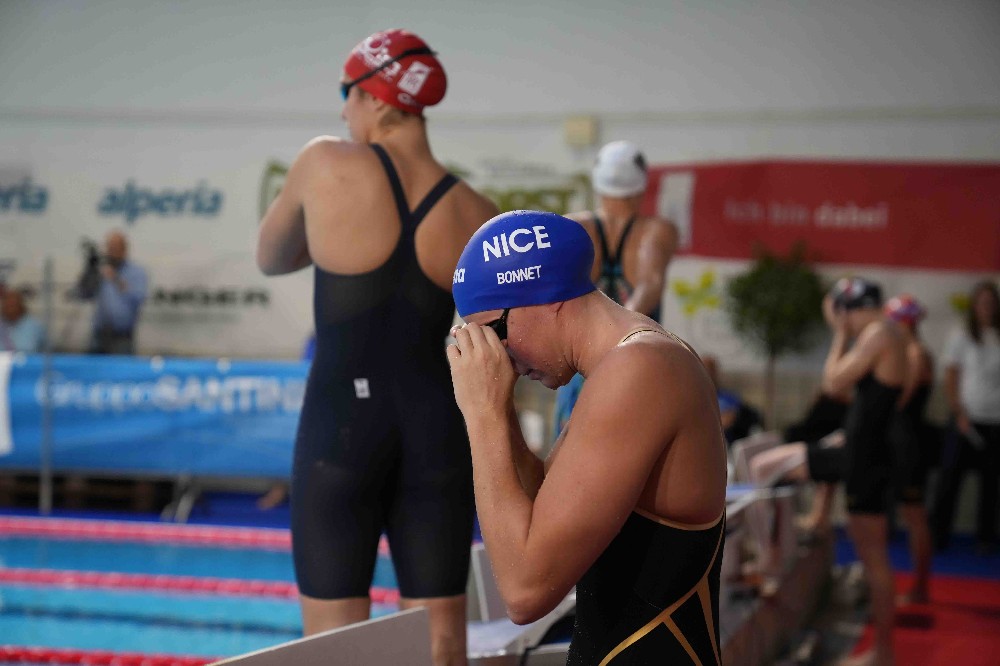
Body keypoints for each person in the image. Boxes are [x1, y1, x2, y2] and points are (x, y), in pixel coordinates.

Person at [256, 29, 497, 666]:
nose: (343, 112)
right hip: (438, 433)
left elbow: (271, 256)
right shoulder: (477, 212)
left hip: (340, 431)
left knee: (337, 649)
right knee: (444, 643)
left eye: (348, 94)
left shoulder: (323, 163)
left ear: (377, 97)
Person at [448, 210, 727, 665]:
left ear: (546, 297)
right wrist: (498, 406)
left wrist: (481, 416)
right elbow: (545, 511)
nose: (500, 357)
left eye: (494, 334)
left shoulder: (641, 370)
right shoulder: (629, 361)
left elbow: (525, 590)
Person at [553, 141, 678, 437]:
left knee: (567, 454)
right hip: (636, 365)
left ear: (598, 183)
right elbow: (649, 286)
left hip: (580, 366)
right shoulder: (656, 231)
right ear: (641, 185)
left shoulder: (574, 228)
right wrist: (617, 342)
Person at [931, 281, 1000, 554]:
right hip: (965, 419)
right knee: (950, 479)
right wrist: (958, 411)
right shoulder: (961, 335)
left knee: (991, 483)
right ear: (974, 306)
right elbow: (951, 375)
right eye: (982, 303)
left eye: (991, 303)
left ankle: (985, 538)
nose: (987, 308)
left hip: (995, 420)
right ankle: (939, 535)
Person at [883, 294, 934, 604]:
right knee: (912, 515)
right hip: (906, 440)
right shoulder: (914, 351)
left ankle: (921, 588)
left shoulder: (914, 354)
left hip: (909, 443)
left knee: (915, 516)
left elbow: (898, 401)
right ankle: (920, 587)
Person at [84, 231, 148, 354]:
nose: (111, 251)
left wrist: (115, 278)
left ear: (124, 249)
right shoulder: (100, 270)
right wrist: (89, 273)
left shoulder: (136, 272)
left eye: (115, 248)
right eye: (109, 247)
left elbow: (139, 298)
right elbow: (85, 295)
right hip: (99, 335)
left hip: (122, 336)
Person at [0, 288, 45, 353]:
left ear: (21, 305)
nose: (10, 309)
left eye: (13, 305)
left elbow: (46, 352)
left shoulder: (34, 327)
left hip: (30, 359)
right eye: (7, 305)